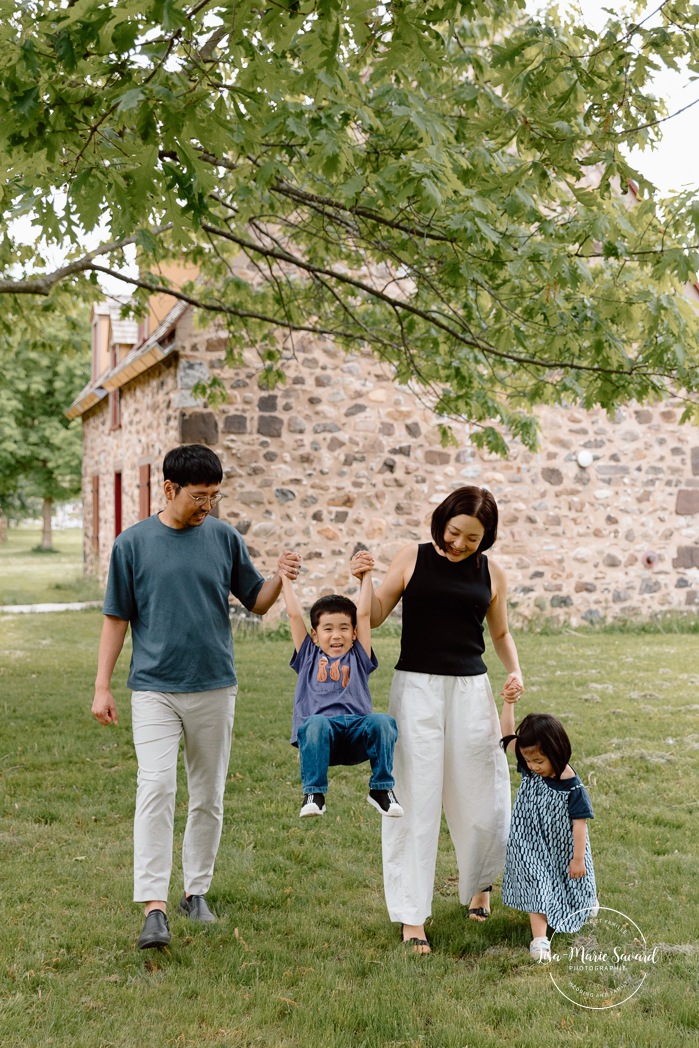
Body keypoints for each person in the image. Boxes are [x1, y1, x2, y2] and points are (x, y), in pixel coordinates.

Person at [91, 444, 300, 950]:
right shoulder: (132, 544)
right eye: (199, 496)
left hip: (214, 686)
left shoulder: (224, 538)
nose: (207, 505)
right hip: (154, 689)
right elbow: (116, 617)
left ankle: (196, 891)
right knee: (157, 788)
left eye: (214, 496)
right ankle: (154, 907)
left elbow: (255, 600)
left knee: (208, 795)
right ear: (169, 489)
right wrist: (102, 685)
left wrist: (280, 577)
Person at [351, 486, 523, 955]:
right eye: (454, 532)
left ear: (485, 538)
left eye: (473, 538)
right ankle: (412, 917)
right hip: (417, 691)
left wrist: (515, 669)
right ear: (441, 520)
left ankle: (479, 885)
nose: (461, 544)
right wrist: (364, 581)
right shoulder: (413, 557)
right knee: (413, 796)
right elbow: (380, 611)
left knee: (484, 795)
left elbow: (500, 631)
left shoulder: (492, 573)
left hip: (471, 691)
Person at [281, 563, 403, 820]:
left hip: (357, 734)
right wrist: (285, 579)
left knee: (383, 721)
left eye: (344, 628)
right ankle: (314, 794)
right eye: (328, 629)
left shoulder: (359, 655)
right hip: (322, 739)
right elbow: (294, 615)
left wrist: (366, 576)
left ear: (354, 632)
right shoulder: (308, 655)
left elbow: (366, 614)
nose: (336, 635)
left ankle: (381, 789)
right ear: (314, 635)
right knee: (314, 723)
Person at [499, 709, 598, 962]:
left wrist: (577, 859)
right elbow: (508, 736)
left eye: (538, 761)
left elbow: (579, 826)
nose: (531, 766)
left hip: (563, 846)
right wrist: (509, 703)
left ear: (557, 751)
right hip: (529, 841)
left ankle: (586, 902)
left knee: (572, 882)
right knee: (537, 883)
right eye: (528, 760)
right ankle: (540, 939)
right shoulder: (531, 767)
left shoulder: (572, 786)